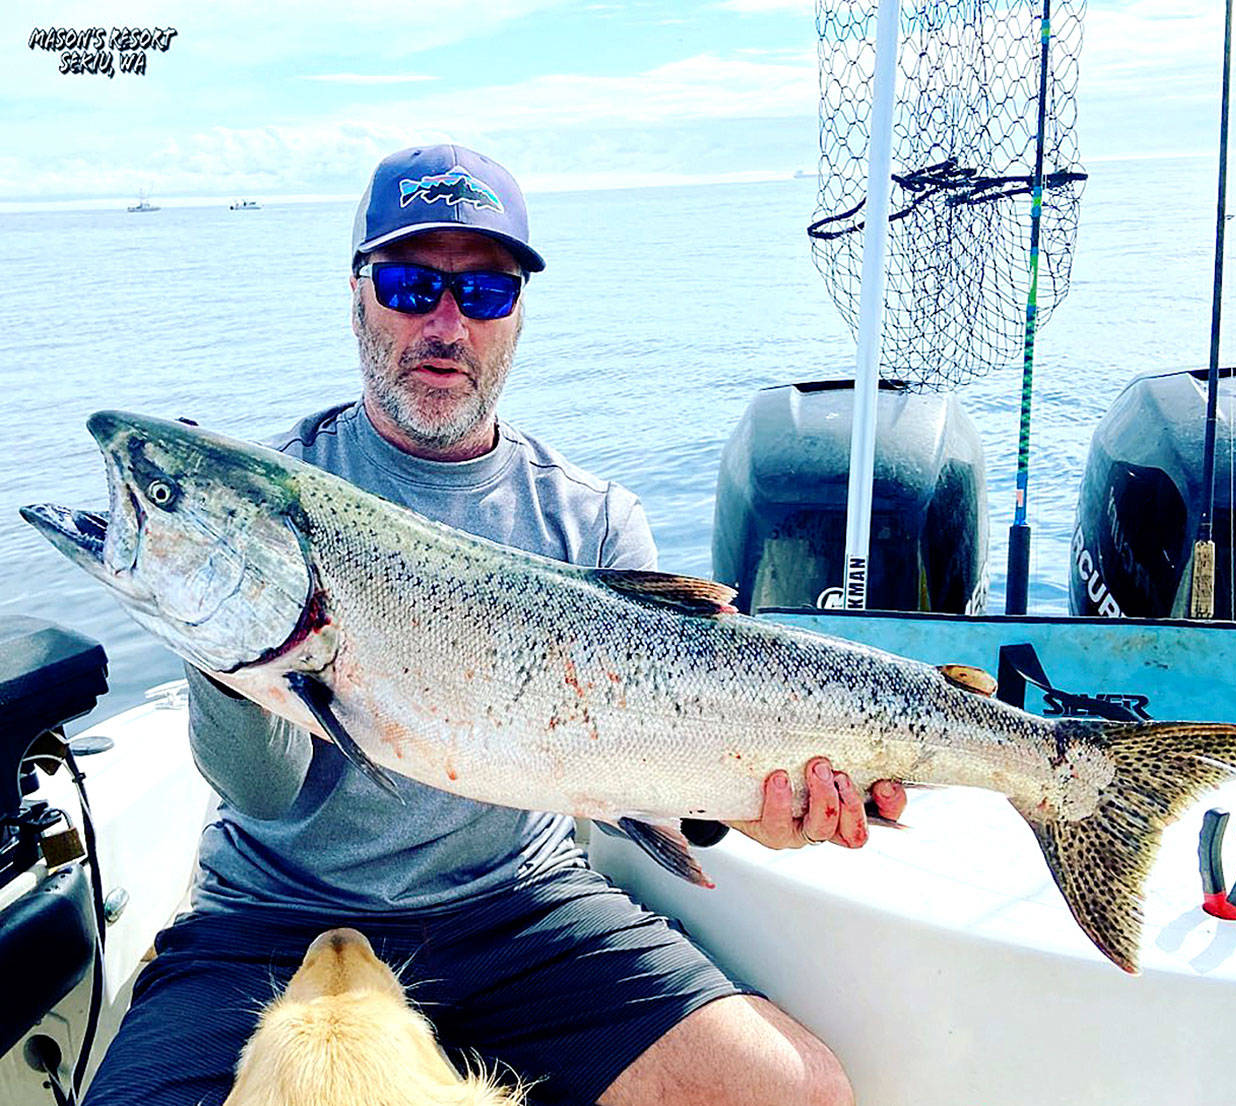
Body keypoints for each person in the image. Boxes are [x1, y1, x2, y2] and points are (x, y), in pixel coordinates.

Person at [83, 144, 907, 1106]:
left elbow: (648, 761)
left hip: (523, 912)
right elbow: (262, 791)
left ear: (516, 314)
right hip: (273, 918)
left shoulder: (592, 520)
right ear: (358, 296)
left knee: (800, 1091)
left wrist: (755, 813)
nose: (446, 324)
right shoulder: (268, 501)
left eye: (484, 293)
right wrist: (219, 644)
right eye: (410, 283)